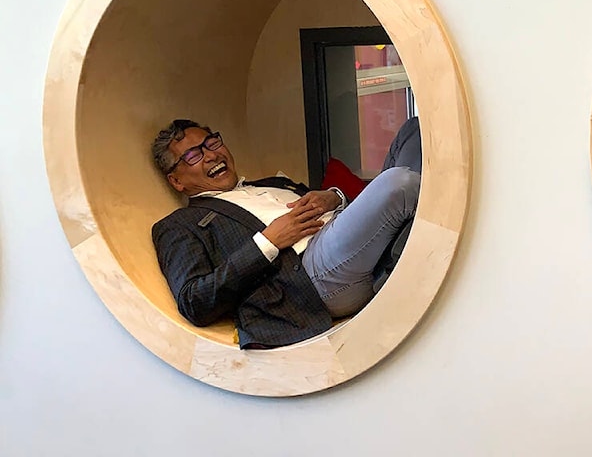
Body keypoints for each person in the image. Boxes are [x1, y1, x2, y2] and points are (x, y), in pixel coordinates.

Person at [150, 118, 420, 349]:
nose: (211, 155)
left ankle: (397, 250)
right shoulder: (180, 225)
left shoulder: (274, 183)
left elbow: (352, 211)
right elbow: (194, 301)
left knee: (414, 131)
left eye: (212, 143)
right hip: (309, 277)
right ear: (177, 181)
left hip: (349, 240)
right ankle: (406, 243)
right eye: (194, 156)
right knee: (400, 183)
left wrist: (334, 197)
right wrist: (268, 243)